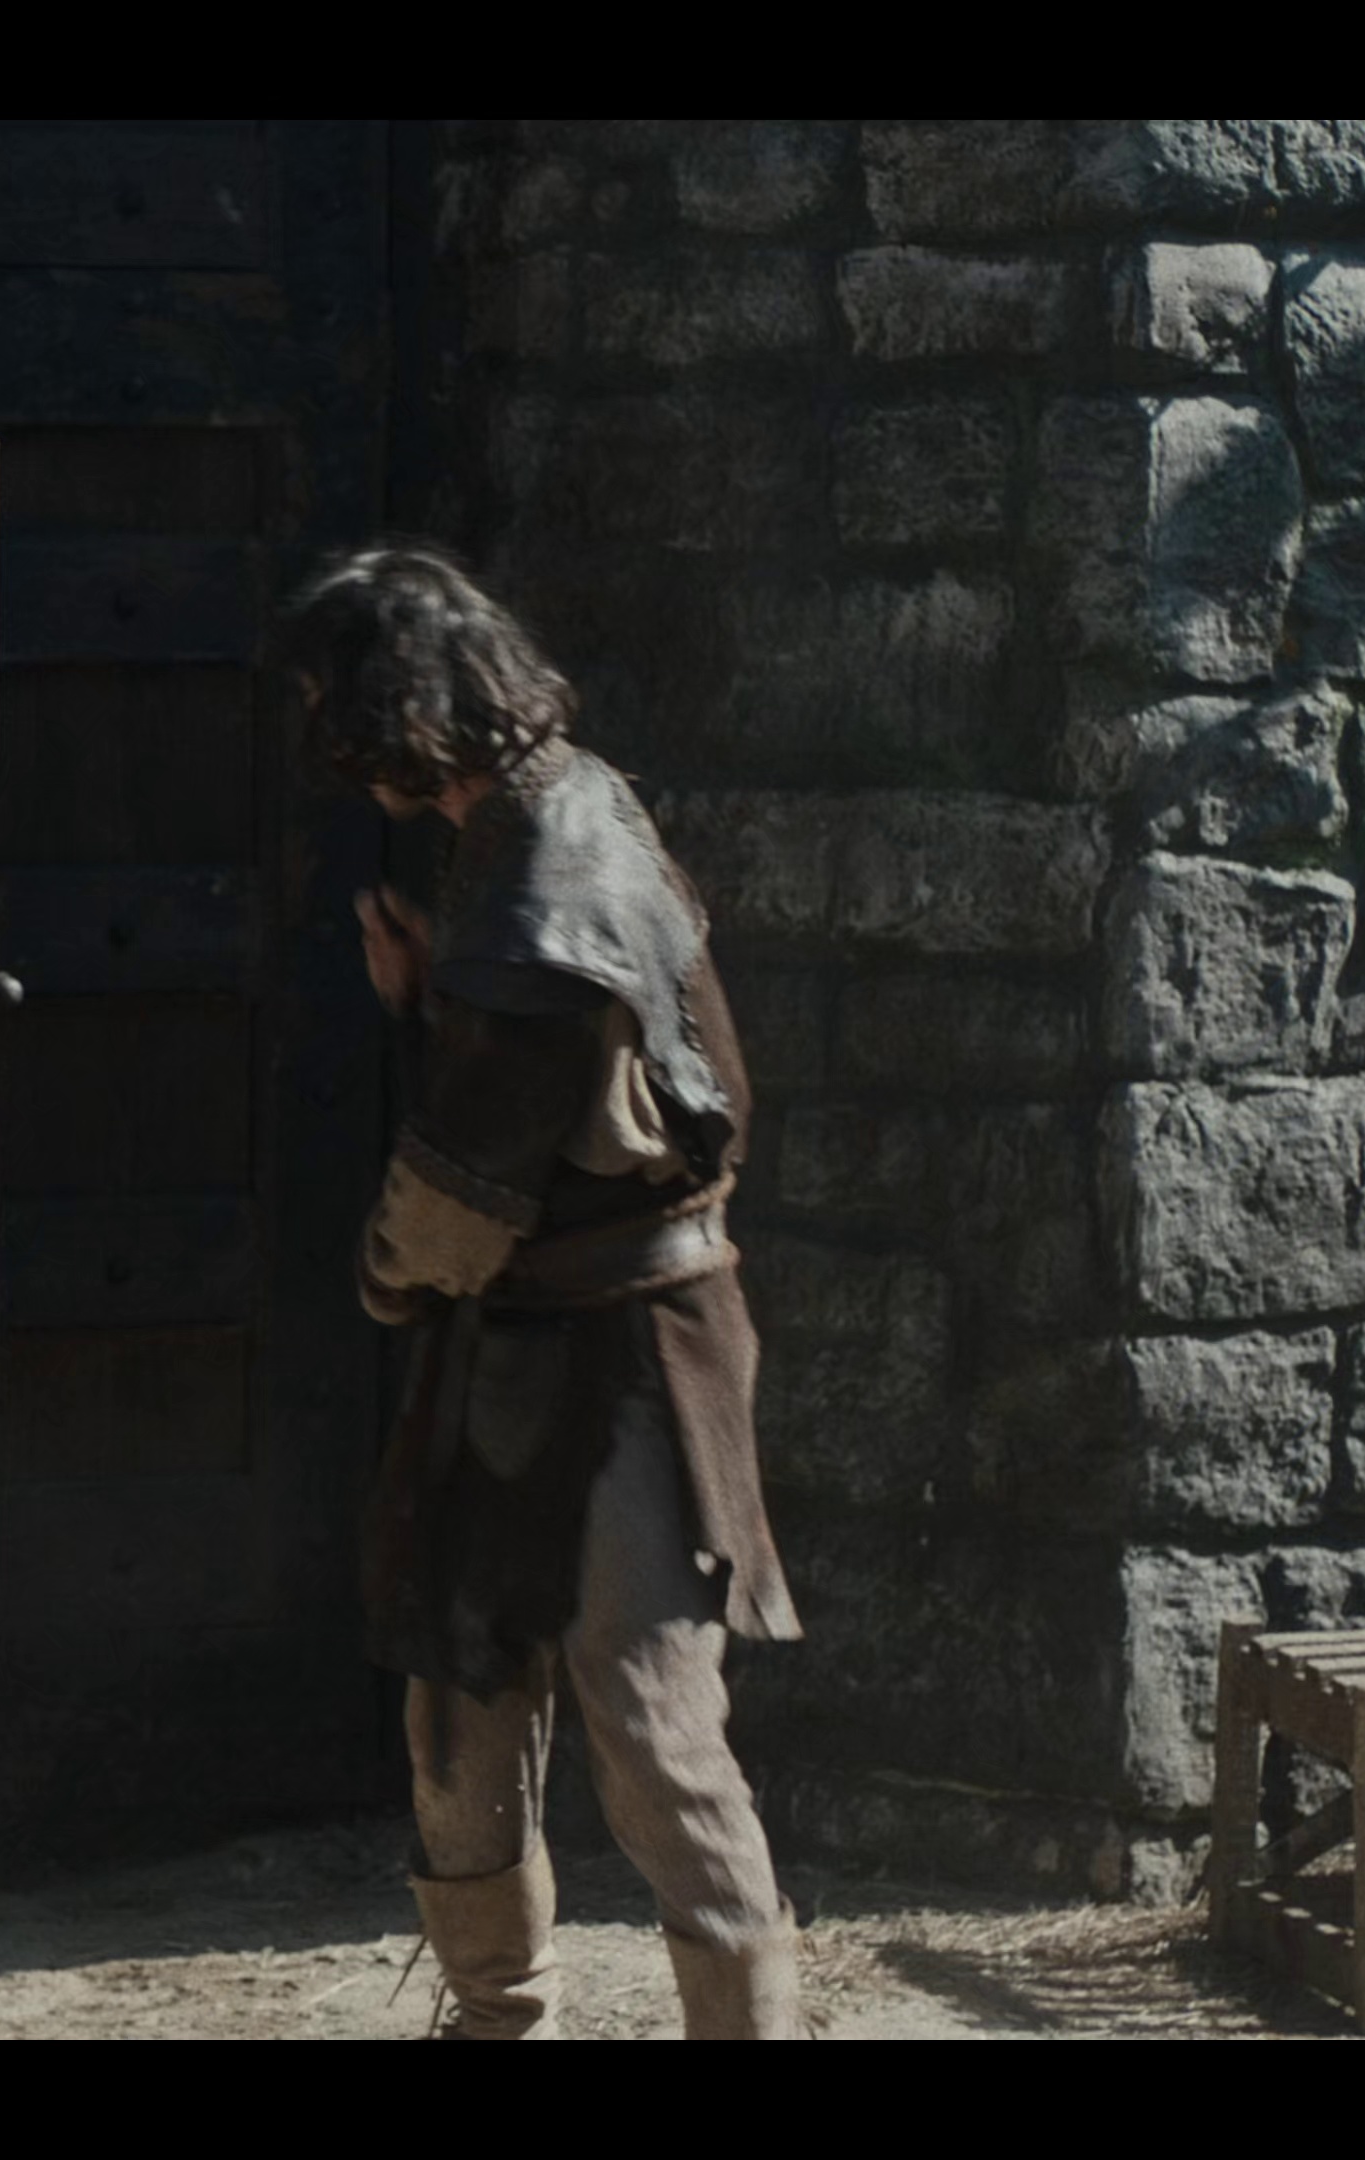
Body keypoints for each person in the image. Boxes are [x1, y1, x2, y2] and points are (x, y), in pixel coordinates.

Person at [270, 541, 808, 2040]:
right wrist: (433, 997)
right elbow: (543, 1079)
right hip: (524, 1347)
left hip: (625, 1356)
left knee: (650, 1721)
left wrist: (389, 1275)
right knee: (465, 1705)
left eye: (326, 696)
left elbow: (471, 1178)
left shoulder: (549, 858)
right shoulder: (540, 818)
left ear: (383, 702)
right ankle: (498, 2018)